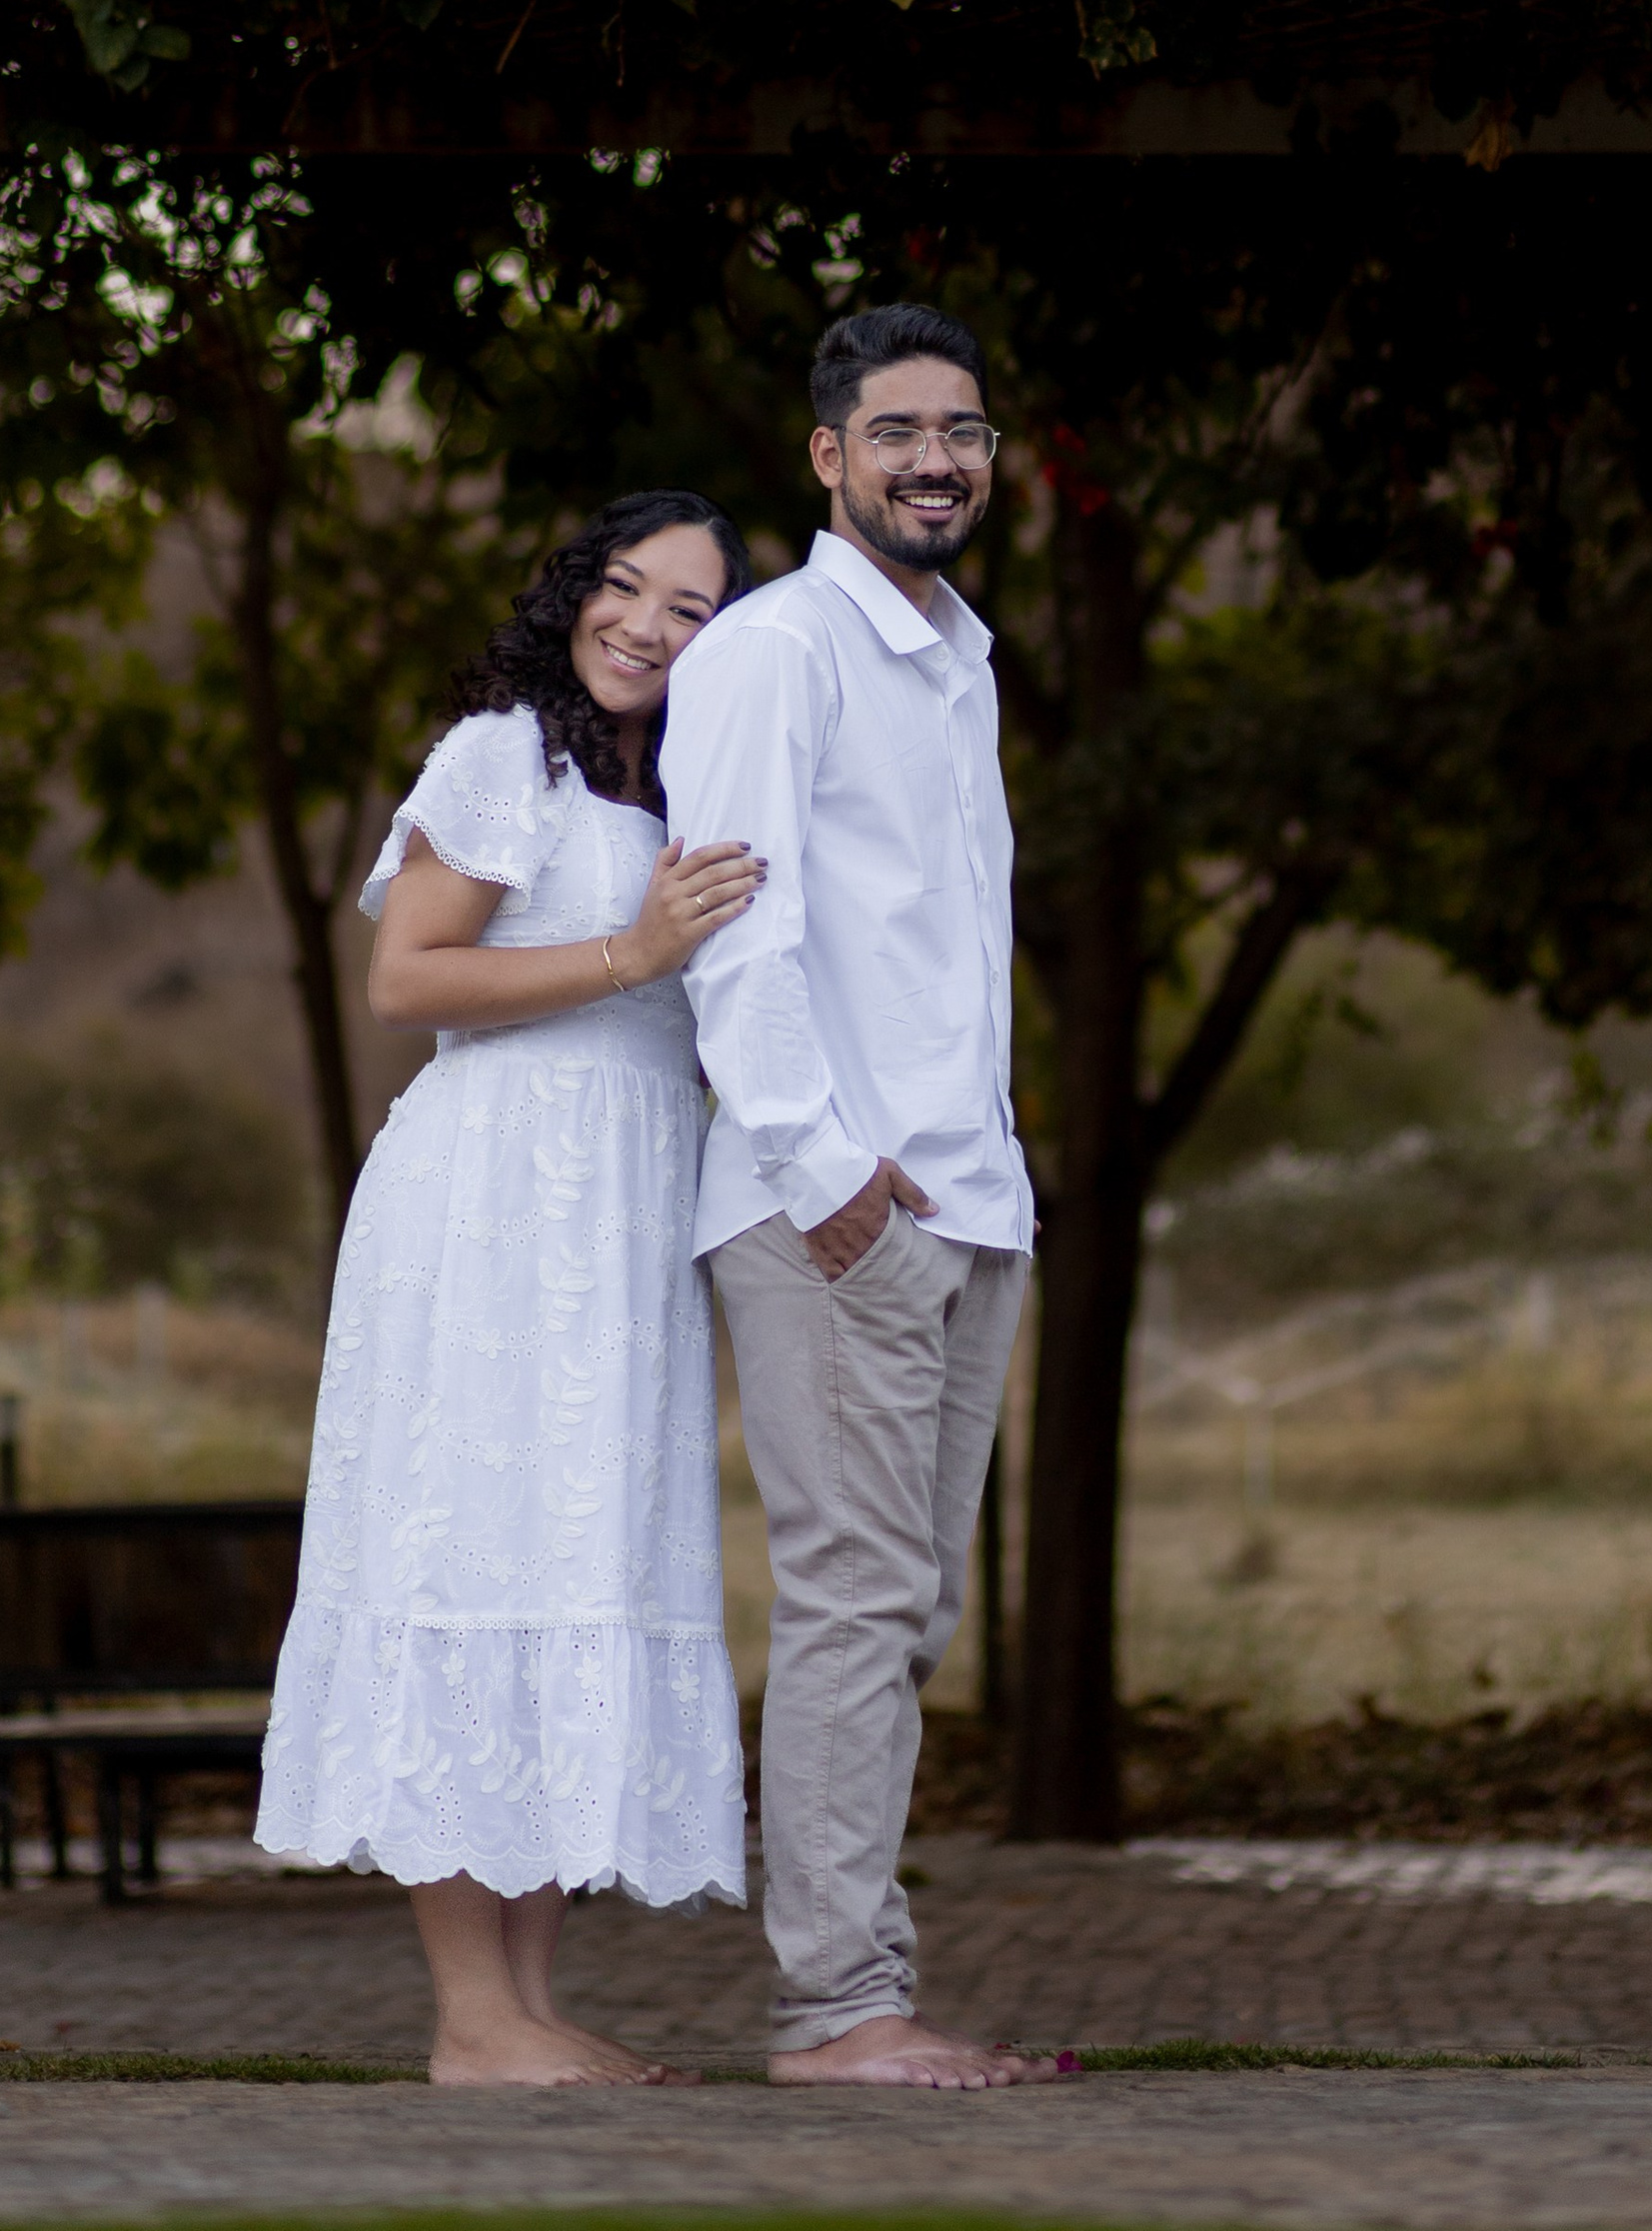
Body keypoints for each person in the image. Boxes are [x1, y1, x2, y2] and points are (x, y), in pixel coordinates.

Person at [254, 491, 766, 2087]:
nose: (644, 625)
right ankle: (468, 2016)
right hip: (490, 1204)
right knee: (472, 1558)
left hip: (622, 1213)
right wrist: (633, 949)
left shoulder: (682, 785)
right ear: (575, 596)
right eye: (625, 587)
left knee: (575, 1568)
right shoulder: (503, 754)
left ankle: (530, 2011)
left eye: (688, 609)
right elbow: (408, 978)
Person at [662, 301, 1065, 2091]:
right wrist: (827, 1180)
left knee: (906, 1610)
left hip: (964, 1206)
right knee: (852, 1597)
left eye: (962, 433)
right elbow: (734, 917)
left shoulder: (956, 654)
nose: (934, 460)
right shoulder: (773, 649)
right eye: (897, 431)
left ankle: (859, 1988)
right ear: (827, 455)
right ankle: (839, 2014)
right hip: (835, 1208)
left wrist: (981, 1186)